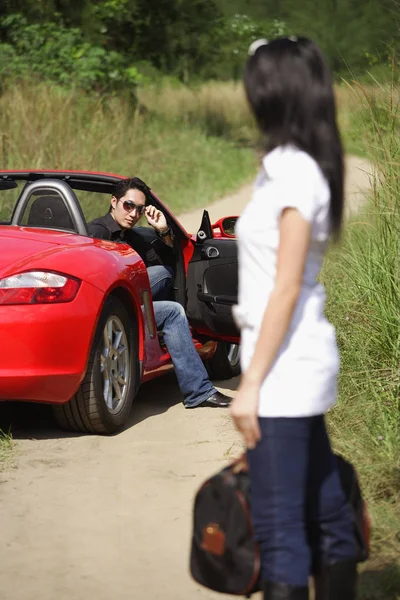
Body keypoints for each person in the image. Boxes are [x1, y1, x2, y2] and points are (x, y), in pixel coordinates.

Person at [230, 37, 357, 599]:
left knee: (281, 535)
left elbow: (284, 286)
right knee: (327, 512)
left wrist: (250, 383)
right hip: (294, 362)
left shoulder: (296, 173)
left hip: (282, 369)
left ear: (274, 92)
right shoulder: (286, 166)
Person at [88, 178, 232, 409]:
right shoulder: (96, 232)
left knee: (172, 310)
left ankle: (199, 392)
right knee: (163, 277)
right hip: (106, 309)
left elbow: (165, 261)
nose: (134, 213)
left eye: (140, 209)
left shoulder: (132, 236)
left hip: (129, 307)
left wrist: (163, 230)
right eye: (128, 205)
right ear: (113, 202)